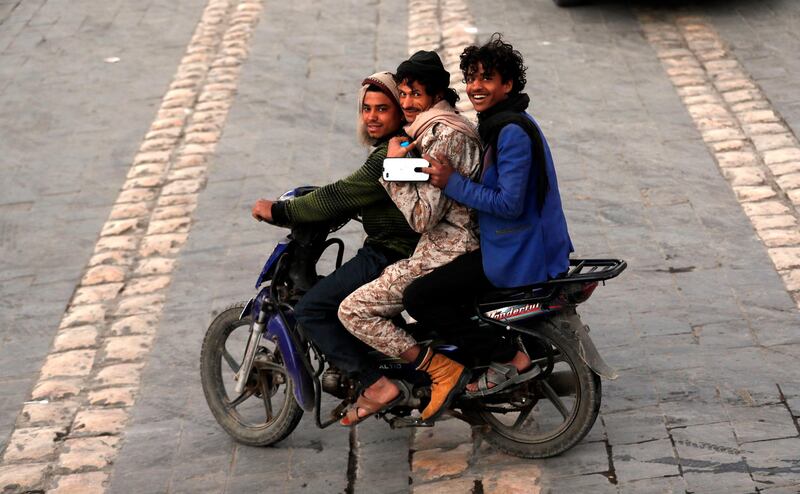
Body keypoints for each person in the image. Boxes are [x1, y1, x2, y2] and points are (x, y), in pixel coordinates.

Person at [403, 34, 574, 396]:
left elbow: (509, 203)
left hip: (517, 252)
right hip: (511, 243)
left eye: (486, 79)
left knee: (419, 298)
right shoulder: (501, 122)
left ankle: (509, 358)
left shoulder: (511, 131)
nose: (475, 87)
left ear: (507, 85)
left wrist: (451, 182)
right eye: (471, 78)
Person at [251, 72, 420, 400]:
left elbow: (342, 194)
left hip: (391, 252)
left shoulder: (391, 152)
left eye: (382, 109)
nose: (371, 116)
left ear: (400, 111)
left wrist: (280, 211)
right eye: (366, 108)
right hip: (401, 249)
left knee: (312, 309)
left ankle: (375, 384)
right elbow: (355, 197)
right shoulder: (398, 146)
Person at [337, 51, 482, 424]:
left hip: (447, 250)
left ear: (435, 95)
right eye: (403, 94)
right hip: (442, 247)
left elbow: (421, 217)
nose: (407, 104)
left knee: (354, 309)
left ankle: (439, 370)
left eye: (415, 94)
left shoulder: (443, 136)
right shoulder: (438, 128)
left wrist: (389, 170)